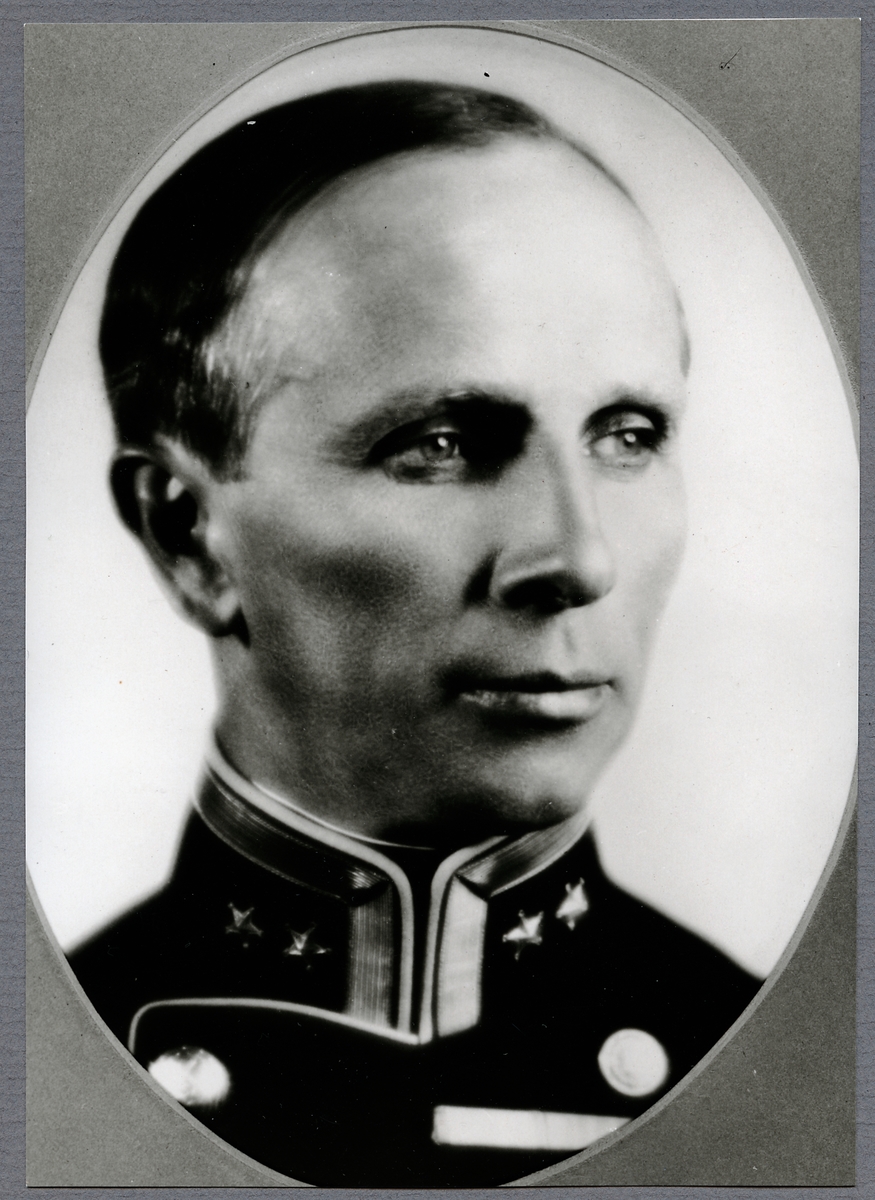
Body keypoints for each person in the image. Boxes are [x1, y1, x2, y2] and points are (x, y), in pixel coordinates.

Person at [69, 81, 761, 1186]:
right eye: (441, 444)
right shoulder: (48, 1060)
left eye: (627, 436)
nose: (579, 558)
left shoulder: (778, 1074)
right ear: (188, 536)